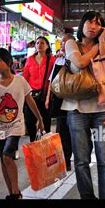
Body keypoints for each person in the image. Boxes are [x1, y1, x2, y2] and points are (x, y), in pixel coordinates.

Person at [0, 48, 44, 199]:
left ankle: (15, 192)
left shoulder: (20, 81)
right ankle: (12, 193)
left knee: (8, 156)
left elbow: (30, 101)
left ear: (8, 62)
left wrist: (39, 119)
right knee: (3, 158)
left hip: (16, 126)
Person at [61, 11, 105, 199]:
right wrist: (97, 47)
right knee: (81, 161)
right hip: (76, 109)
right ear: (82, 24)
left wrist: (103, 45)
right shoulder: (71, 44)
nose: (93, 26)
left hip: (103, 109)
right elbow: (80, 62)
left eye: (98, 23)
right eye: (90, 22)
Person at [45, 33, 75, 171]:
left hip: (74, 101)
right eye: (62, 41)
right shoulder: (58, 61)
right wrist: (47, 98)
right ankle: (65, 160)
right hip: (59, 102)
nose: (63, 44)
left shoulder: (77, 59)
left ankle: (72, 157)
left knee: (73, 131)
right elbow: (52, 81)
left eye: (66, 41)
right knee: (61, 131)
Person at [22, 36, 56, 141]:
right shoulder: (30, 60)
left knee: (46, 121)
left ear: (47, 46)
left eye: (42, 43)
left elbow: (55, 77)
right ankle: (33, 142)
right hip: (31, 95)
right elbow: (25, 77)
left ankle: (46, 144)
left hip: (46, 95)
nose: (39, 45)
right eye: (37, 43)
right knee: (29, 121)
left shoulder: (52, 60)